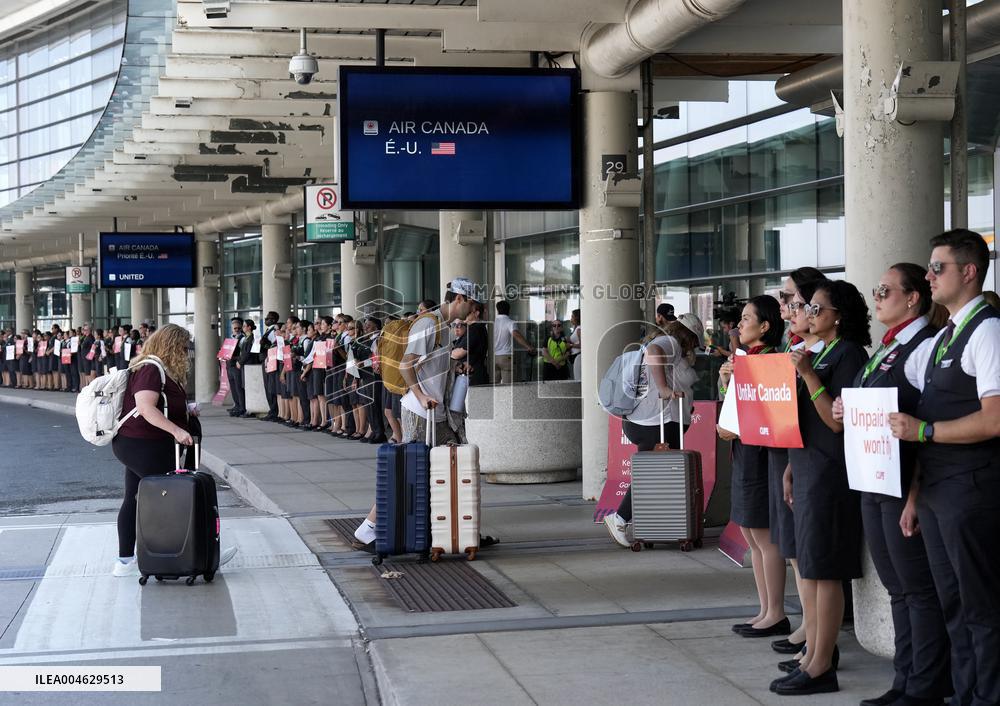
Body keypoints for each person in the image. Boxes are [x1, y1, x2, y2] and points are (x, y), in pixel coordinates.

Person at [828, 264, 951, 706]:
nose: (876, 297)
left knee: (919, 589)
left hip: (906, 485)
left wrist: (916, 495)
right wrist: (846, 408)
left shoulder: (925, 345)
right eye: (876, 290)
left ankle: (927, 685)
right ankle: (904, 680)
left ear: (914, 297)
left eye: (885, 290)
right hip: (873, 480)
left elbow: (931, 421)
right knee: (897, 587)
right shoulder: (884, 348)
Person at [890, 229, 1000, 706]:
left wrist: (925, 434)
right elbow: (923, 413)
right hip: (937, 490)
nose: (929, 276)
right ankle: (964, 693)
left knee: (981, 606)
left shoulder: (989, 329)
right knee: (952, 602)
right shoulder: (944, 335)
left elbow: (995, 418)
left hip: (972, 488)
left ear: (969, 272)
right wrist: (914, 496)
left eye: (938, 268)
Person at [774, 279, 870, 696]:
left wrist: (808, 373)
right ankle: (812, 653)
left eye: (816, 308)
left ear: (838, 316)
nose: (808, 314)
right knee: (810, 568)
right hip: (809, 465)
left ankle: (820, 664)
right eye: (807, 307)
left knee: (825, 570)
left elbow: (835, 420)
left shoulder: (847, 354)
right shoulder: (820, 352)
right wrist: (792, 466)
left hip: (832, 473)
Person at [352, 278, 480, 549]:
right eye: (470, 303)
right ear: (459, 299)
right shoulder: (428, 324)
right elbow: (405, 366)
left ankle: (462, 532)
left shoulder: (444, 327)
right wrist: (421, 396)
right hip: (420, 411)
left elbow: (429, 367)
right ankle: (368, 528)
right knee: (409, 471)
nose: (472, 309)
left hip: (438, 413)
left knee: (450, 468)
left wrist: (456, 370)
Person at [110, 324, 237, 577]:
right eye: (182, 346)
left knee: (134, 497)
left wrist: (185, 410)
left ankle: (124, 562)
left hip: (136, 443)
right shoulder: (151, 369)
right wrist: (177, 431)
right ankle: (194, 553)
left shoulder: (154, 368)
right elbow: (146, 408)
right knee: (177, 497)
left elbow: (160, 403)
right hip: (144, 444)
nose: (185, 351)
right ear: (170, 345)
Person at [717, 296, 790, 639]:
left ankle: (775, 611)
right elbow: (729, 411)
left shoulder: (770, 361)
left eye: (747, 318)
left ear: (765, 326)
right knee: (750, 534)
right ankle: (765, 608)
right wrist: (727, 379)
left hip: (760, 455)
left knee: (764, 536)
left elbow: (761, 413)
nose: (739, 324)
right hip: (743, 453)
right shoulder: (745, 361)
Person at [602, 317, 703, 547]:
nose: (693, 348)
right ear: (689, 336)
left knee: (663, 475)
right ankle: (619, 518)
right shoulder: (670, 343)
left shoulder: (662, 340)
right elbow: (655, 353)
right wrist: (666, 390)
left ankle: (664, 524)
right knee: (653, 475)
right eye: (694, 342)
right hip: (654, 422)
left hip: (645, 421)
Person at [493, 300, 535, 384]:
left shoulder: (493, 322)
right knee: (508, 386)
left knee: (495, 385)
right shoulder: (510, 322)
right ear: (509, 310)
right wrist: (529, 347)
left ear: (497, 310)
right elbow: (517, 335)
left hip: (494, 357)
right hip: (506, 357)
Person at [466, 301, 490, 386]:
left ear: (476, 313)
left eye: (468, 312)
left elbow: (461, 352)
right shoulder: (479, 328)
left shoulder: (475, 329)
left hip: (474, 374)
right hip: (477, 372)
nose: (465, 314)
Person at [226, 318, 245, 417]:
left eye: (238, 328)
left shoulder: (242, 339)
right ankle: (237, 405)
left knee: (238, 387)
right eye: (235, 328)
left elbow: (243, 353)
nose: (236, 329)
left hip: (236, 365)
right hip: (229, 366)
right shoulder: (230, 338)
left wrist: (236, 358)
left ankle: (242, 407)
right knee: (233, 387)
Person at [567, 309, 581, 380]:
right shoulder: (575, 328)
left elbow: (582, 345)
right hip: (573, 357)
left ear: (577, 318)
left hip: (577, 356)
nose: (571, 319)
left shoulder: (579, 329)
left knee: (577, 378)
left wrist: (570, 345)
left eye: (572, 316)